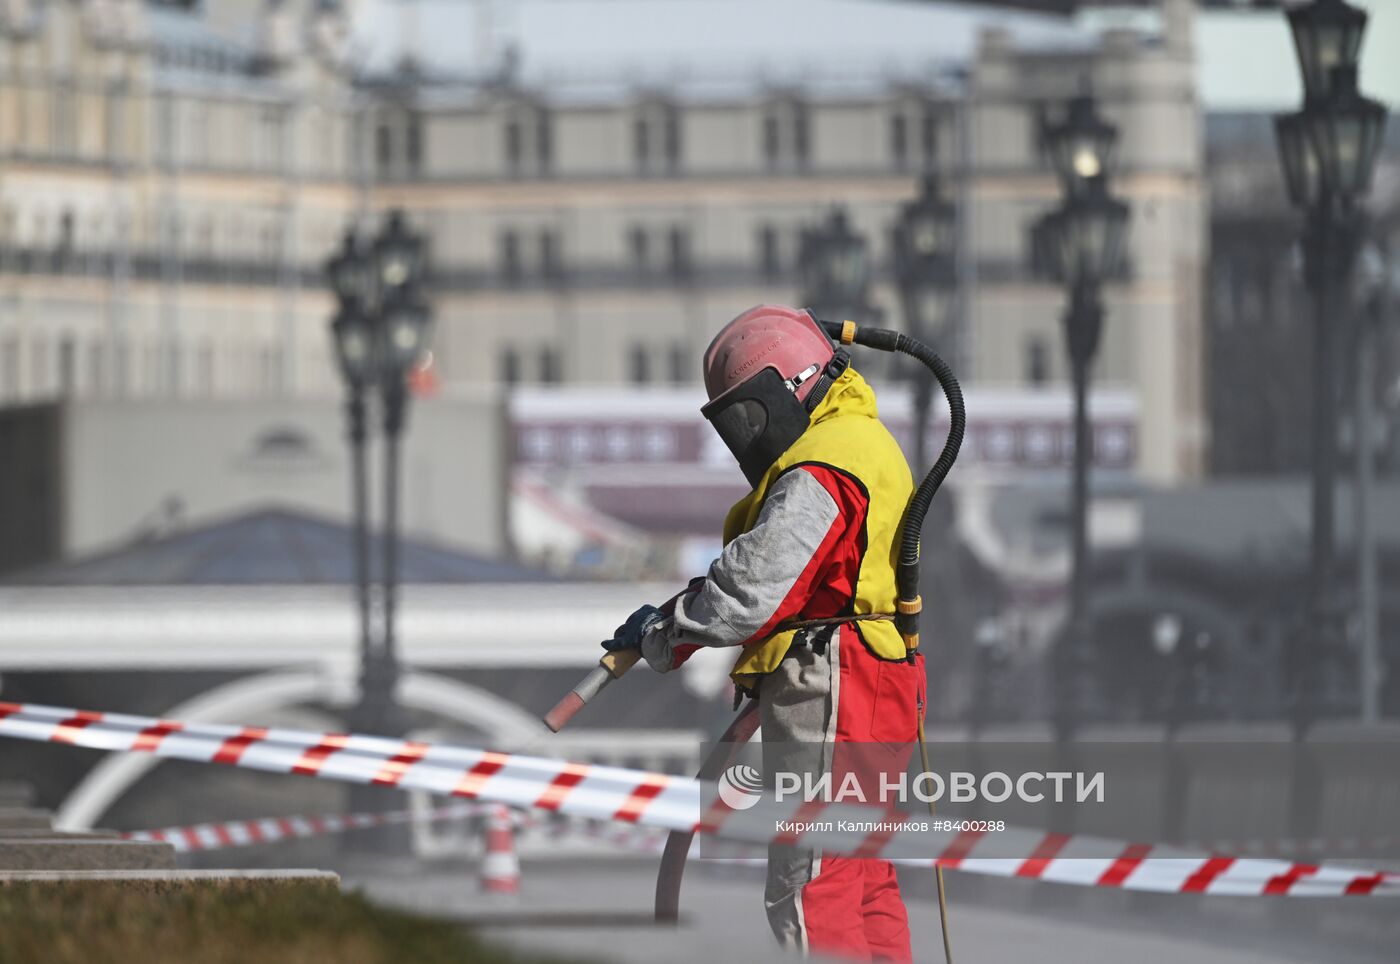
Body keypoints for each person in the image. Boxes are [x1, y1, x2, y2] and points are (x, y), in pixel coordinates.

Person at [603, 304, 923, 962]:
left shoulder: (821, 467)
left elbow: (748, 592)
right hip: (880, 675)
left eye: (746, 413)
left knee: (812, 880)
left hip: (837, 681)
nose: (746, 435)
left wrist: (661, 634)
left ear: (790, 385)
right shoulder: (863, 441)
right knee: (862, 875)